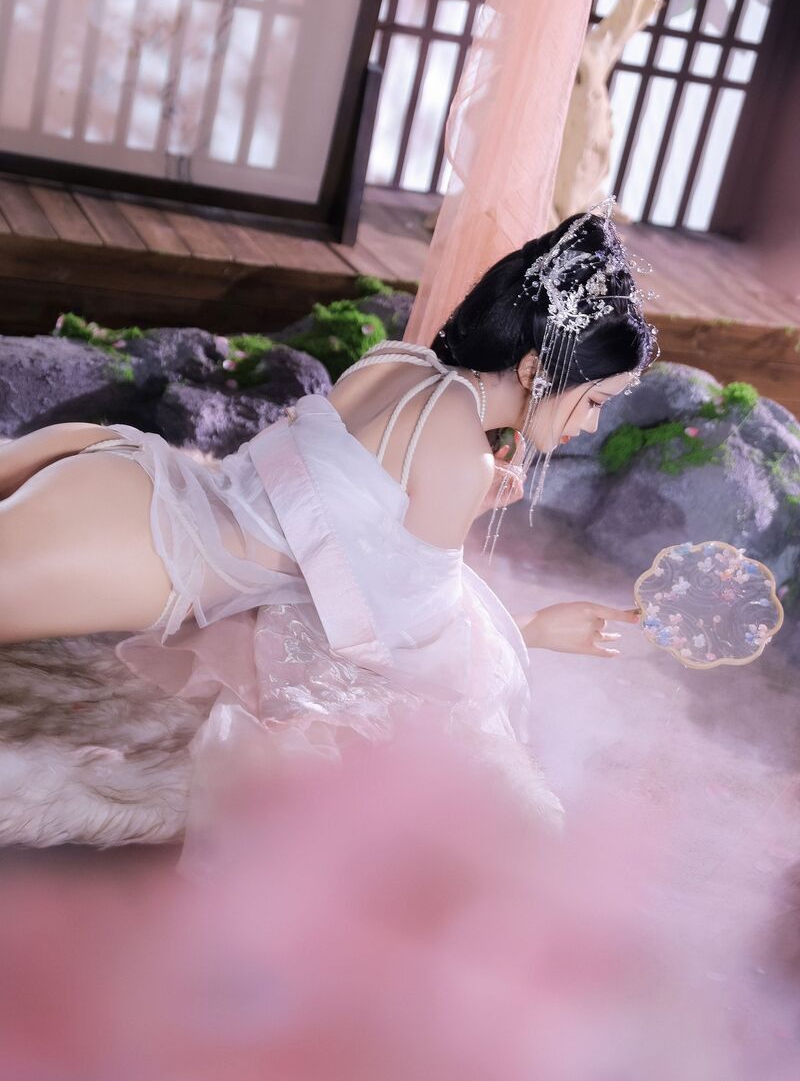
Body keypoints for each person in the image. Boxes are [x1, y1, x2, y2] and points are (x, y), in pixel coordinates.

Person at [0, 205, 658, 872]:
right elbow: (409, 645)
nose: (590, 426)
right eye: (595, 401)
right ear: (535, 369)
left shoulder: (400, 363)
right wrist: (534, 629)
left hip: (134, 474)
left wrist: (464, 491)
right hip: (154, 554)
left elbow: (332, 503)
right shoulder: (462, 453)